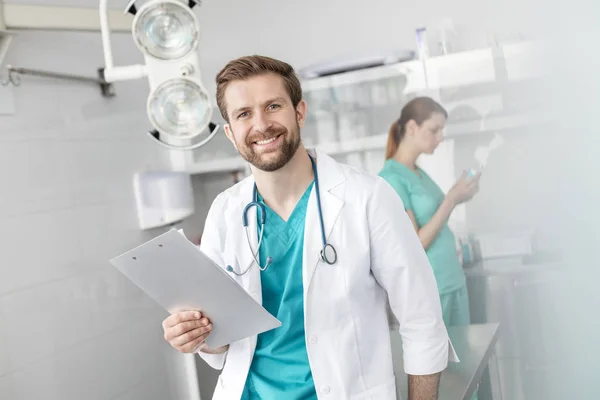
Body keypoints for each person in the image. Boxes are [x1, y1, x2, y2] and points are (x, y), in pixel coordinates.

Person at [161, 56, 457, 400]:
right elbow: (221, 349)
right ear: (230, 132)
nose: (261, 125)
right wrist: (196, 336)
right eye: (244, 114)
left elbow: (422, 321)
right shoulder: (225, 213)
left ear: (299, 112)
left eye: (273, 106)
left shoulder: (367, 197)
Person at [378, 97, 480, 328]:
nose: (440, 137)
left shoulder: (417, 172)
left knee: (466, 360)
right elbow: (415, 243)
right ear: (412, 127)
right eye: (434, 130)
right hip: (433, 289)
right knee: (443, 362)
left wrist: (462, 194)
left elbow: (436, 217)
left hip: (453, 280)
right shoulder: (391, 178)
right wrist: (452, 199)